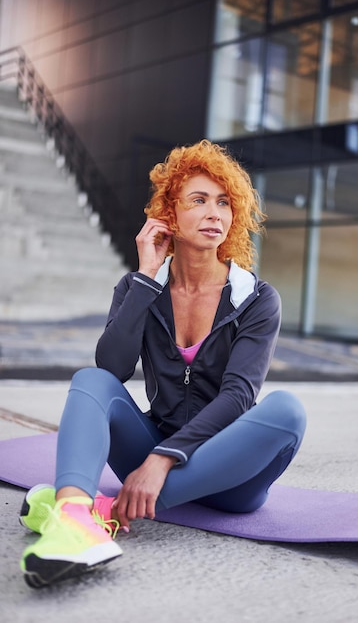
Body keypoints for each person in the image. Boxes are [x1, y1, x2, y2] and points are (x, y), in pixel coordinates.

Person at [19, 139, 306, 588]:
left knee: (287, 410)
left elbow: (238, 396)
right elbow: (111, 369)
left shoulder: (256, 298)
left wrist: (161, 459)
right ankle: (74, 519)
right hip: (154, 444)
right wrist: (146, 278)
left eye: (224, 203)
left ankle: (102, 511)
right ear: (169, 214)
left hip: (228, 474)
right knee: (90, 380)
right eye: (199, 200)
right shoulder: (140, 288)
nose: (215, 213)